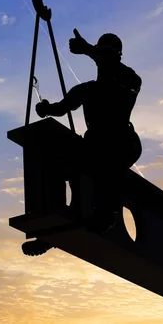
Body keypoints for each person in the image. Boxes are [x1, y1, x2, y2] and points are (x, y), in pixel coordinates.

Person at [22, 29, 143, 257]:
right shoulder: (87, 90)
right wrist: (46, 108)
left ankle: (105, 215)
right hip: (95, 146)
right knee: (62, 163)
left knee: (102, 165)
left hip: (121, 145)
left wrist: (89, 49)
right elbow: (60, 107)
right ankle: (55, 226)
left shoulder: (128, 83)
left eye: (106, 56)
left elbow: (124, 76)